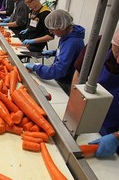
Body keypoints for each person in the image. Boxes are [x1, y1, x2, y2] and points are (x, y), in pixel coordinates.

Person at [73, 29, 119, 157]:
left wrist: (117, 136)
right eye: (116, 54)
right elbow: (78, 74)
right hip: (91, 120)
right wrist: (75, 104)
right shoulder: (99, 43)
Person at [25, 9, 85, 95]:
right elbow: (68, 53)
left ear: (61, 26)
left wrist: (35, 67)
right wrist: (54, 52)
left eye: (52, 29)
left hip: (64, 82)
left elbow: (58, 70)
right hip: (63, 75)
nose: (50, 32)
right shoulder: (69, 34)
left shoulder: (71, 43)